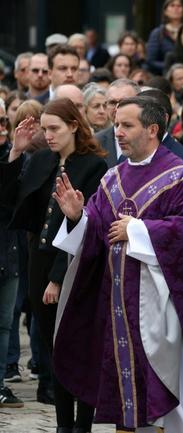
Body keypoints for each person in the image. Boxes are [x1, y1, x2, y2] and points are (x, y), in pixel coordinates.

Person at [49, 95, 183, 432]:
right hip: (117, 308)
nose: (118, 133)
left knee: (164, 396)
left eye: (127, 125)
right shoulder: (112, 178)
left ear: (153, 129)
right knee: (126, 398)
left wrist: (138, 230)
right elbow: (98, 231)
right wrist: (77, 218)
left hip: (160, 309)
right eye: (116, 125)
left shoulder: (182, 177)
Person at [1, 98, 108, 432]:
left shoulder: (93, 165)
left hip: (76, 262)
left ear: (74, 126)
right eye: (44, 129)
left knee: (79, 346)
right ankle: (64, 423)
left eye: (54, 129)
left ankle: (83, 423)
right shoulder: (41, 159)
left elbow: (91, 224)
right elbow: (9, 203)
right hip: (39, 261)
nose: (47, 135)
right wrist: (15, 154)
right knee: (53, 348)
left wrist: (59, 278)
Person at [0, 100, 23, 409]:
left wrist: (16, 154)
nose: (2, 128)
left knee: (4, 323)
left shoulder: (17, 156)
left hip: (8, 251)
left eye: (3, 121)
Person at [95, 79, 141, 167]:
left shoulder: (150, 138)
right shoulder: (95, 142)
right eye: (112, 102)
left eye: (123, 102)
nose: (117, 108)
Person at [146, 0, 183, 75]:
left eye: (179, 6)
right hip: (164, 76)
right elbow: (150, 61)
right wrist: (171, 67)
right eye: (172, 5)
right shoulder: (157, 33)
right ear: (165, 11)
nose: (176, 8)